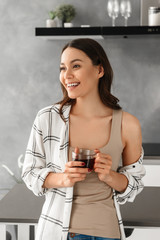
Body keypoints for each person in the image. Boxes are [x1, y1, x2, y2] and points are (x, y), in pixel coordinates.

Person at [22, 38, 146, 240]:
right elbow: (29, 173)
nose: (67, 75)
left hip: (108, 233)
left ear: (100, 70)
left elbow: (135, 184)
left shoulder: (127, 124)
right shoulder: (48, 118)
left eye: (76, 66)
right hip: (60, 232)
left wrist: (109, 176)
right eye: (62, 68)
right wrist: (63, 178)